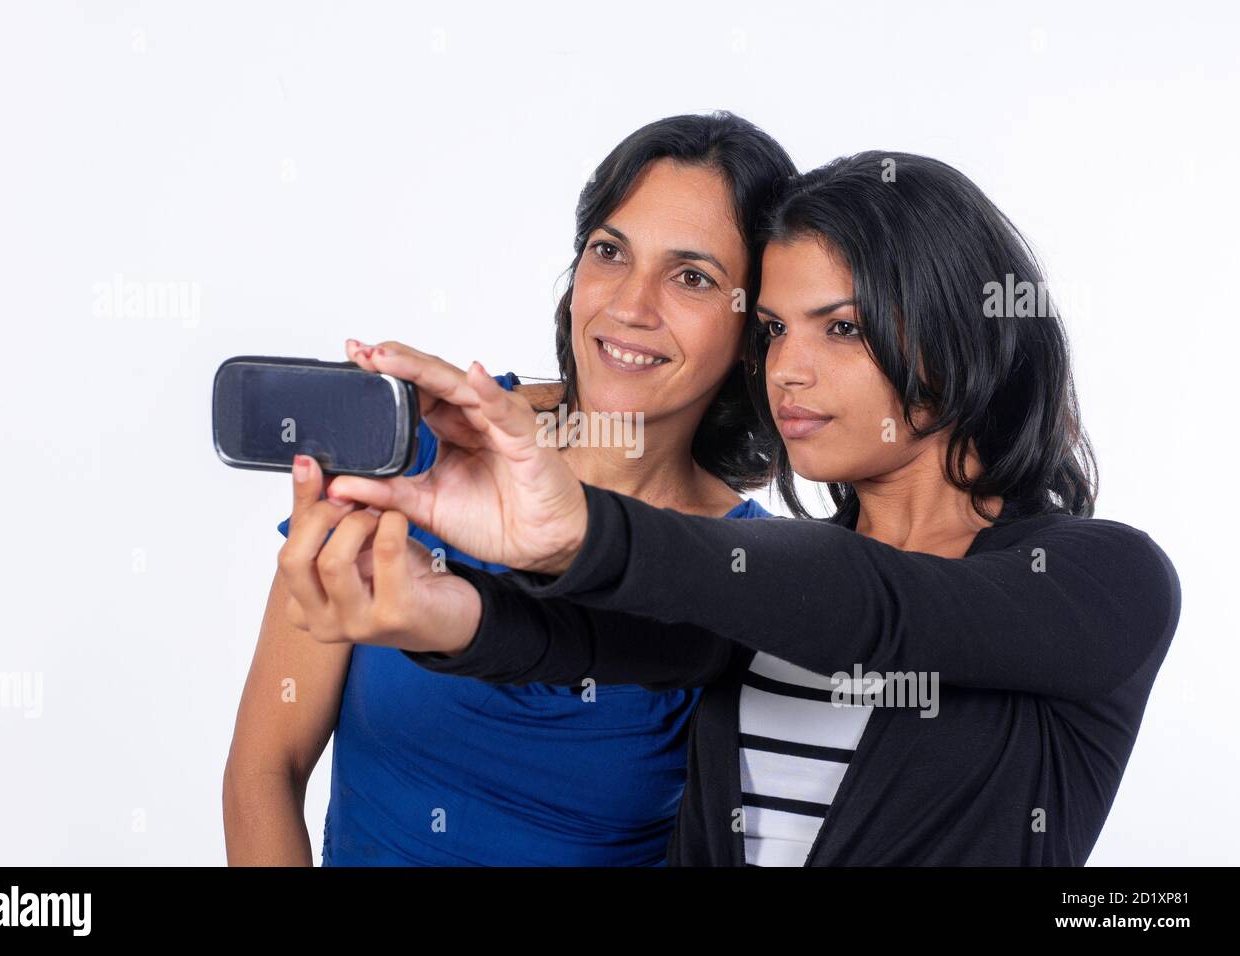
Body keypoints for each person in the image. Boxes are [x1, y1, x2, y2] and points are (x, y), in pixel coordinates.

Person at [282, 152, 1182, 866]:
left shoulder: (1104, 581)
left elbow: (881, 609)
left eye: (840, 327)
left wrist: (580, 527)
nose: (787, 369)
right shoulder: (765, 593)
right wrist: (448, 609)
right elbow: (600, 641)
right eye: (775, 331)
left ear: (955, 338)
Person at [223, 112, 796, 865]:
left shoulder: (743, 573)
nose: (631, 304)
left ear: (754, 324)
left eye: (692, 277)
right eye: (609, 252)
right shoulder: (430, 442)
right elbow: (264, 770)